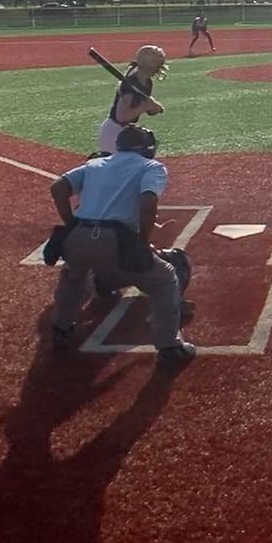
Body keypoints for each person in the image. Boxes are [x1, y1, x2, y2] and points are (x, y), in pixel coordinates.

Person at [45, 124, 194, 366]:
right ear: (147, 148)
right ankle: (169, 346)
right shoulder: (151, 167)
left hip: (77, 237)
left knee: (73, 276)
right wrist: (141, 243)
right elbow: (148, 203)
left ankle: (61, 328)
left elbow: (58, 187)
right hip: (116, 239)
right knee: (166, 278)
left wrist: (71, 223)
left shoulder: (94, 164)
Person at [96, 45, 167, 155]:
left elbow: (144, 104)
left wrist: (153, 107)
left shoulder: (147, 82)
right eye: (157, 67)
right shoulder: (130, 84)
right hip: (114, 132)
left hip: (126, 132)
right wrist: (145, 107)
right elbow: (121, 116)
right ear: (149, 66)